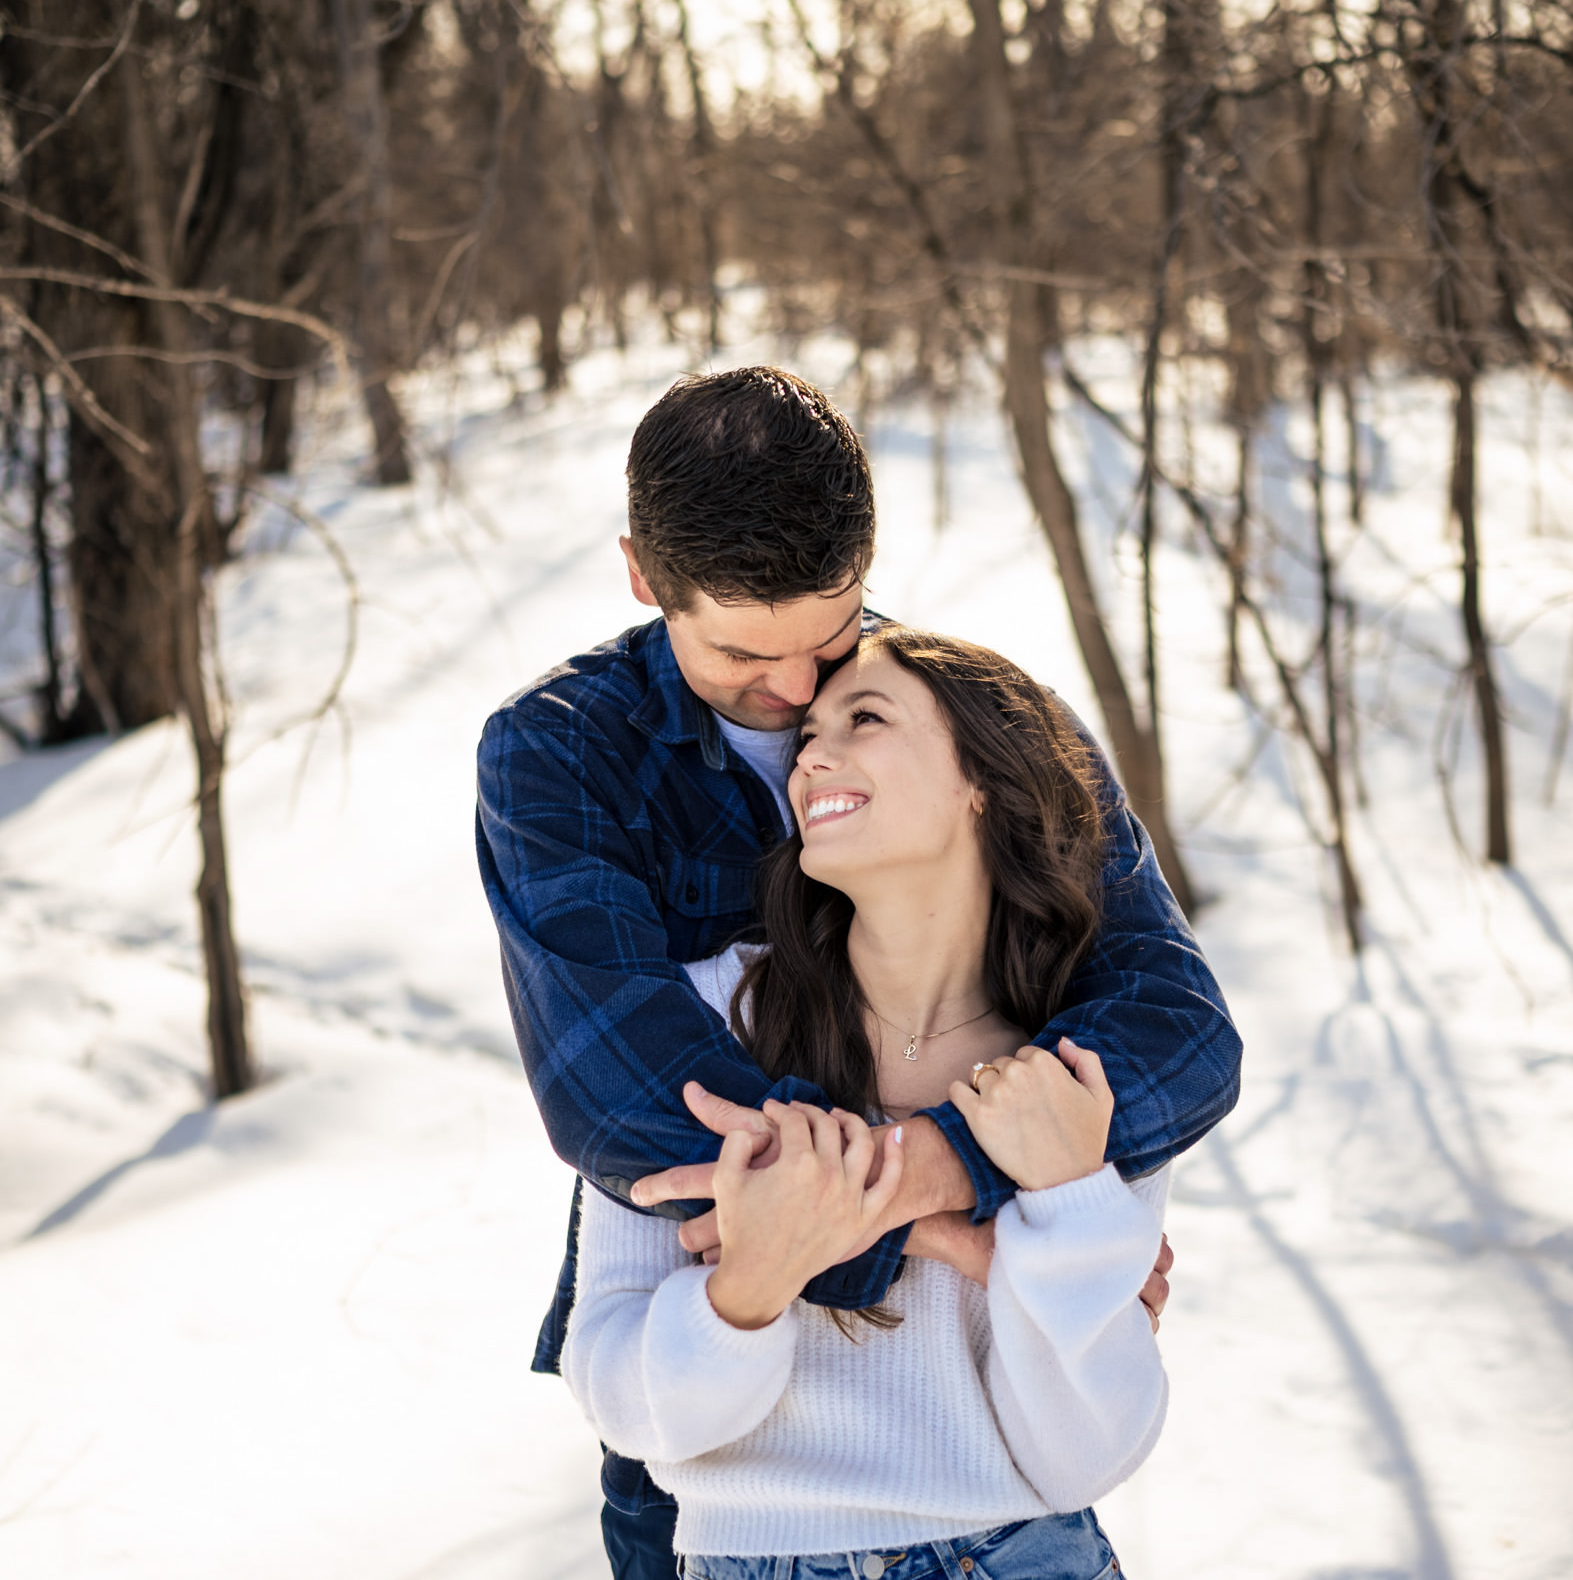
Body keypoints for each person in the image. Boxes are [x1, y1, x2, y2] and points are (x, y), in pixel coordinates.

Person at [475, 366, 1239, 1579]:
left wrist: (955, 1168)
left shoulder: (971, 717)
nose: (791, 700)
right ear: (642, 576)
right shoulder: (563, 753)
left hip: (997, 1483)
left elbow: (1177, 1029)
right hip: (713, 1439)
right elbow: (628, 1108)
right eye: (739, 654)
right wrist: (967, 1238)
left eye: (831, 644)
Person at [563, 625, 1169, 1579]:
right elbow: (617, 1395)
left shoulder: (1073, 1060)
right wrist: (747, 1292)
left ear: (983, 780)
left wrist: (1069, 1206)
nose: (809, 754)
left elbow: (1085, 1453)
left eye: (864, 717)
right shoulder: (699, 1015)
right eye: (807, 735)